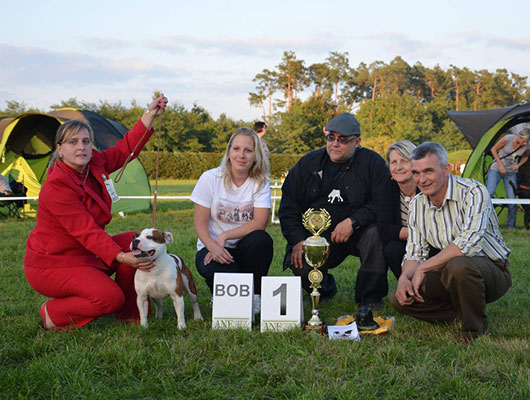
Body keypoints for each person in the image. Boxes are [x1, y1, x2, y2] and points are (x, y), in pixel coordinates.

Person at [24, 94, 168, 330]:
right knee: (109, 297)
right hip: (53, 263)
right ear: (59, 149)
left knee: (135, 243)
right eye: (73, 142)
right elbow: (87, 232)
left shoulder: (94, 163)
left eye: (85, 141)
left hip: (86, 253)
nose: (81, 147)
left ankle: (130, 316)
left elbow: (124, 150)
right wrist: (120, 257)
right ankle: (53, 313)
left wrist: (149, 115)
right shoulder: (56, 186)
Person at [390, 142, 512, 343]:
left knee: (458, 265)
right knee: (398, 298)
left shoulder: (474, 192)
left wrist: (423, 269)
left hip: (492, 270)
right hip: (450, 272)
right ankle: (459, 313)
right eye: (416, 173)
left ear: (446, 169)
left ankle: (475, 331)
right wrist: (405, 276)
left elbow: (468, 244)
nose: (422, 179)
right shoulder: (417, 205)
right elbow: (414, 252)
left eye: (428, 171)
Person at [278, 113, 392, 308]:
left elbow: (382, 201)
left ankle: (369, 298)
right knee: (299, 262)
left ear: (357, 142)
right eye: (331, 138)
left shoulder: (372, 162)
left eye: (343, 139)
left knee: (375, 235)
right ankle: (324, 290)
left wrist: (353, 221)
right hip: (316, 236)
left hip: (358, 231)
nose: (335, 144)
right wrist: (297, 240)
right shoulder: (308, 163)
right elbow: (288, 205)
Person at [191, 127, 273, 312]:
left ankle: (255, 297)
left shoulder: (260, 182)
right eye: (236, 149)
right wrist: (213, 246)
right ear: (228, 152)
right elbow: (200, 222)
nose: (241, 155)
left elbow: (260, 223)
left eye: (248, 150)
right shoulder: (210, 178)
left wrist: (225, 236)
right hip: (211, 247)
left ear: (255, 155)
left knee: (262, 240)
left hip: (244, 247)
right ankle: (218, 294)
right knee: (228, 275)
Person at [378, 140, 418, 280]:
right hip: (407, 240)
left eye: (404, 161)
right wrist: (416, 233)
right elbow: (384, 229)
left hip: (432, 243)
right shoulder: (386, 187)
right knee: (392, 249)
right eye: (393, 162)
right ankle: (407, 287)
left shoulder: (426, 185)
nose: (398, 167)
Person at [486, 128, 530, 230]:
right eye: (523, 141)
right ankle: (486, 224)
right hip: (496, 169)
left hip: (511, 172)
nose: (524, 144)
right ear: (519, 136)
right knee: (490, 194)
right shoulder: (508, 139)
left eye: (526, 142)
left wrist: (518, 165)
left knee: (512, 199)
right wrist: (500, 165)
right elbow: (493, 149)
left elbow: (526, 157)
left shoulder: (527, 145)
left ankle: (511, 226)